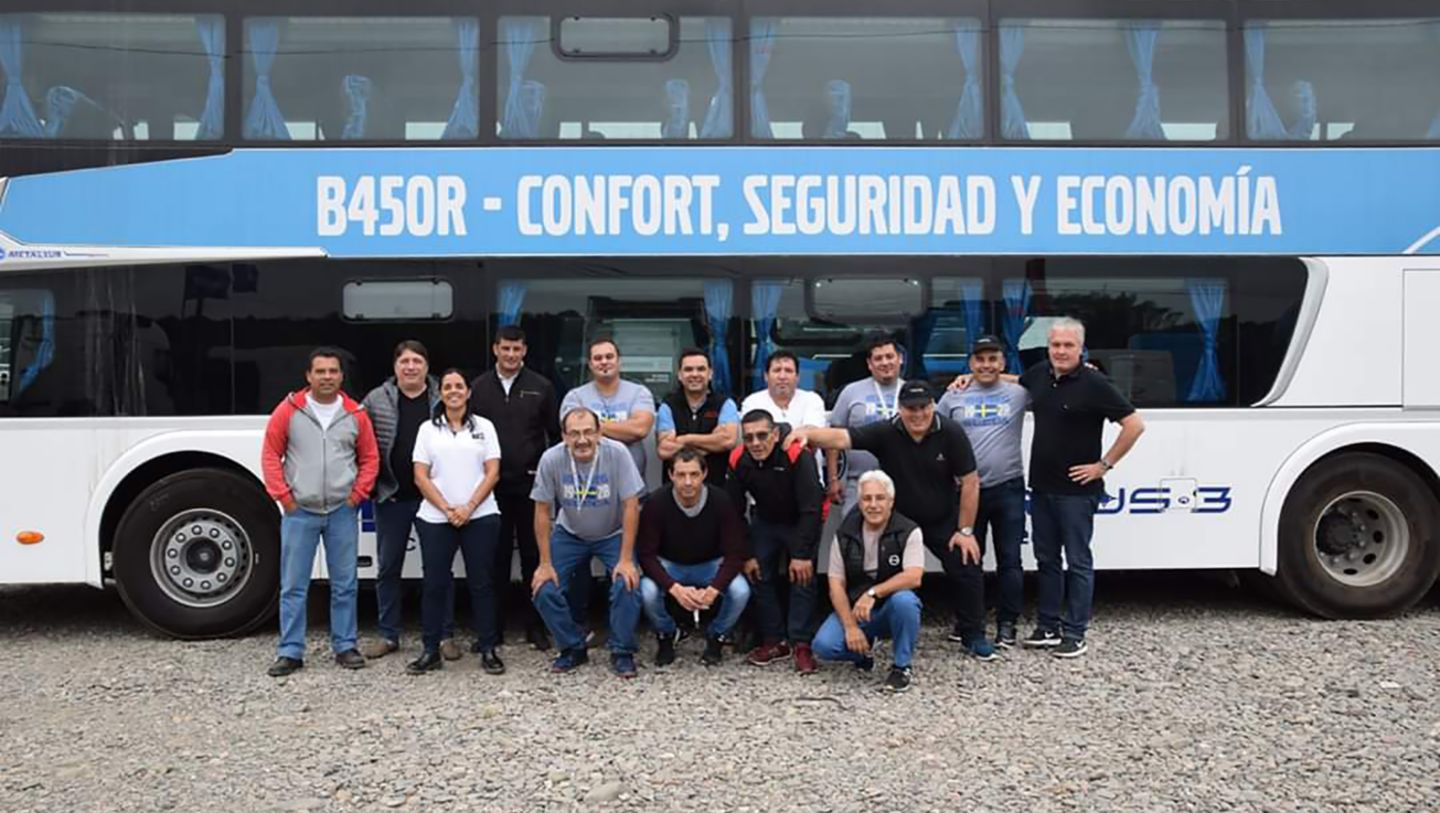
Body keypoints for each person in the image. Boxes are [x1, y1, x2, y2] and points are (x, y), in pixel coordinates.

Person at [788, 380, 993, 659]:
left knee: (967, 562)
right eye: (911, 408)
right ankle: (861, 624)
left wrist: (965, 530)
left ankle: (973, 634)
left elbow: (970, 482)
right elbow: (842, 437)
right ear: (900, 408)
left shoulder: (951, 432)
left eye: (923, 407)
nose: (917, 414)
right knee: (868, 567)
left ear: (933, 406)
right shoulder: (886, 431)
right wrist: (807, 434)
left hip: (940, 517)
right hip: (895, 519)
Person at [1018, 318, 1144, 658]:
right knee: (1046, 559)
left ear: (1081, 348)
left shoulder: (1095, 383)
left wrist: (1103, 465)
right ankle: (1048, 626)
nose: (1061, 351)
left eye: (1068, 345)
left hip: (1076, 493)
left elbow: (1134, 425)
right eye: (1055, 345)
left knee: (1078, 562)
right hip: (1041, 488)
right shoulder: (1040, 374)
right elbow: (1014, 381)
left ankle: (1075, 633)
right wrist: (971, 379)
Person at [262, 348, 379, 677]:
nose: (327, 377)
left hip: (342, 510)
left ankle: (345, 646)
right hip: (300, 511)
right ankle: (290, 651)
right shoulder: (289, 410)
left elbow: (370, 458)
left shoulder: (355, 414)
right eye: (320, 371)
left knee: (345, 584)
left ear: (341, 376)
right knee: (294, 585)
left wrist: (356, 496)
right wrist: (285, 498)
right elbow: (271, 454)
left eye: (333, 371)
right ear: (308, 376)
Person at [358, 341, 459, 662]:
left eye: (417, 361)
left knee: (439, 569)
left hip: (435, 500)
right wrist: (368, 483)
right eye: (405, 361)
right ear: (395, 366)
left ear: (427, 366)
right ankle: (388, 635)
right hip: (393, 496)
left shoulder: (442, 395)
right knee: (388, 568)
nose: (411, 367)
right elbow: (360, 439)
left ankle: (444, 635)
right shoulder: (376, 399)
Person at [531, 407, 646, 678]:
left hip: (613, 532)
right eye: (574, 434)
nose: (582, 440)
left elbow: (631, 505)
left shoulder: (618, 453)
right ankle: (573, 646)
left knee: (627, 583)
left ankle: (622, 650)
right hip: (570, 533)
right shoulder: (551, 459)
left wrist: (626, 559)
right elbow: (542, 510)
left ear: (599, 433)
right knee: (544, 588)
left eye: (588, 432)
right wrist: (545, 563)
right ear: (564, 436)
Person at [408, 370, 505, 675]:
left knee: (482, 583)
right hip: (436, 517)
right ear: (440, 393)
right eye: (447, 387)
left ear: (468, 391)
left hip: (481, 515)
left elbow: (493, 472)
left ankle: (488, 648)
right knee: (434, 584)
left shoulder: (485, 427)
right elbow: (420, 475)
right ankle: (430, 650)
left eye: (459, 386)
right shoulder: (427, 429)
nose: (453, 391)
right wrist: (447, 508)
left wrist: (469, 507)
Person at [936, 335, 1029, 649]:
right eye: (980, 360)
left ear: (1003, 362)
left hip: (1008, 487)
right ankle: (968, 622)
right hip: (966, 493)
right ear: (970, 362)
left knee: (1010, 560)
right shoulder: (953, 395)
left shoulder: (1019, 393)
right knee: (967, 561)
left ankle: (1007, 623)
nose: (986, 365)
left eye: (993, 359)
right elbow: (936, 434)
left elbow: (1050, 382)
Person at [469, 325, 559, 651]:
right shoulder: (478, 388)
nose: (510, 355)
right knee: (496, 559)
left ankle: (536, 626)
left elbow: (555, 435)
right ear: (495, 349)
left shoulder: (541, 386)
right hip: (491, 488)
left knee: (534, 558)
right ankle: (492, 630)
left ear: (524, 350)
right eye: (505, 348)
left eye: (516, 349)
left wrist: (546, 475)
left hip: (531, 487)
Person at [725, 409, 824, 674]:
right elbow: (733, 512)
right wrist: (747, 553)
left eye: (762, 436)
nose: (756, 443)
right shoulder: (738, 458)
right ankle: (774, 640)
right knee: (758, 574)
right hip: (766, 520)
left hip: (801, 519)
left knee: (802, 577)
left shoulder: (796, 453)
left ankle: (802, 643)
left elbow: (812, 507)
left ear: (776, 434)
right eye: (749, 437)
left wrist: (802, 554)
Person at [811, 471, 925, 694]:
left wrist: (873, 593)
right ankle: (863, 652)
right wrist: (850, 627)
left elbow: (914, 576)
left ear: (891, 501)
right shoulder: (844, 534)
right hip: (857, 610)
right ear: (860, 503)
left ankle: (901, 667)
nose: (873, 505)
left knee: (905, 601)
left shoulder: (909, 530)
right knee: (823, 646)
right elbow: (836, 585)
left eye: (880, 498)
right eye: (867, 499)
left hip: (889, 606)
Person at [637, 449, 750, 666]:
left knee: (741, 591)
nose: (688, 482)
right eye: (681, 475)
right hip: (671, 564)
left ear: (704, 474)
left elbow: (735, 553)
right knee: (647, 591)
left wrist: (714, 589)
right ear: (671, 475)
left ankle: (717, 635)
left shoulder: (720, 500)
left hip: (711, 564)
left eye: (694, 474)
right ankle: (666, 633)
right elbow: (646, 555)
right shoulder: (657, 502)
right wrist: (674, 588)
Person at [826, 334, 905, 513]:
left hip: (903, 482)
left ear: (900, 359)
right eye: (878, 358)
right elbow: (833, 437)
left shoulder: (912, 392)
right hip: (858, 482)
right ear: (869, 364)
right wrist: (833, 478)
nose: (885, 363)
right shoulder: (851, 392)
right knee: (853, 529)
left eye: (889, 356)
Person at [560, 337, 656, 484]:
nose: (604, 362)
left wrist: (591, 428)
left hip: (632, 486)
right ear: (590, 365)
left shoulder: (639, 393)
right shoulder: (575, 397)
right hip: (587, 487)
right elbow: (573, 434)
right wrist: (623, 429)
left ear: (619, 361)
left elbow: (639, 429)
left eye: (609, 357)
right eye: (598, 358)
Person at [656, 348, 738, 488]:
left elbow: (728, 441)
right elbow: (664, 450)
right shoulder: (668, 406)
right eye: (688, 370)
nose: (695, 374)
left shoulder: (725, 404)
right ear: (680, 375)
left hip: (717, 488)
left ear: (710, 374)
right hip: (676, 490)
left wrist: (685, 439)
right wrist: (711, 441)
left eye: (701, 369)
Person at [739, 350, 827, 433]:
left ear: (797, 377)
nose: (782, 376)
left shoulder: (812, 400)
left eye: (788, 371)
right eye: (777, 370)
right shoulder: (752, 402)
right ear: (766, 376)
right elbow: (755, 437)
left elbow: (813, 433)